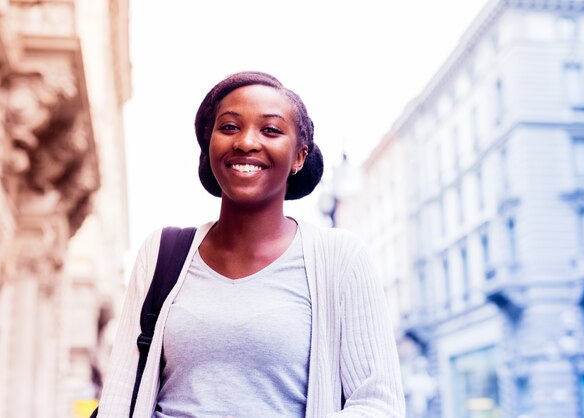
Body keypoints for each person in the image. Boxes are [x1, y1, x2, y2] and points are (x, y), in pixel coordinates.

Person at [96, 71, 405, 418]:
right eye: (228, 127)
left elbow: (377, 405)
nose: (245, 142)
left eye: (270, 130)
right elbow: (119, 398)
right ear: (209, 145)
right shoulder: (162, 252)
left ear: (299, 157)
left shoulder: (341, 258)